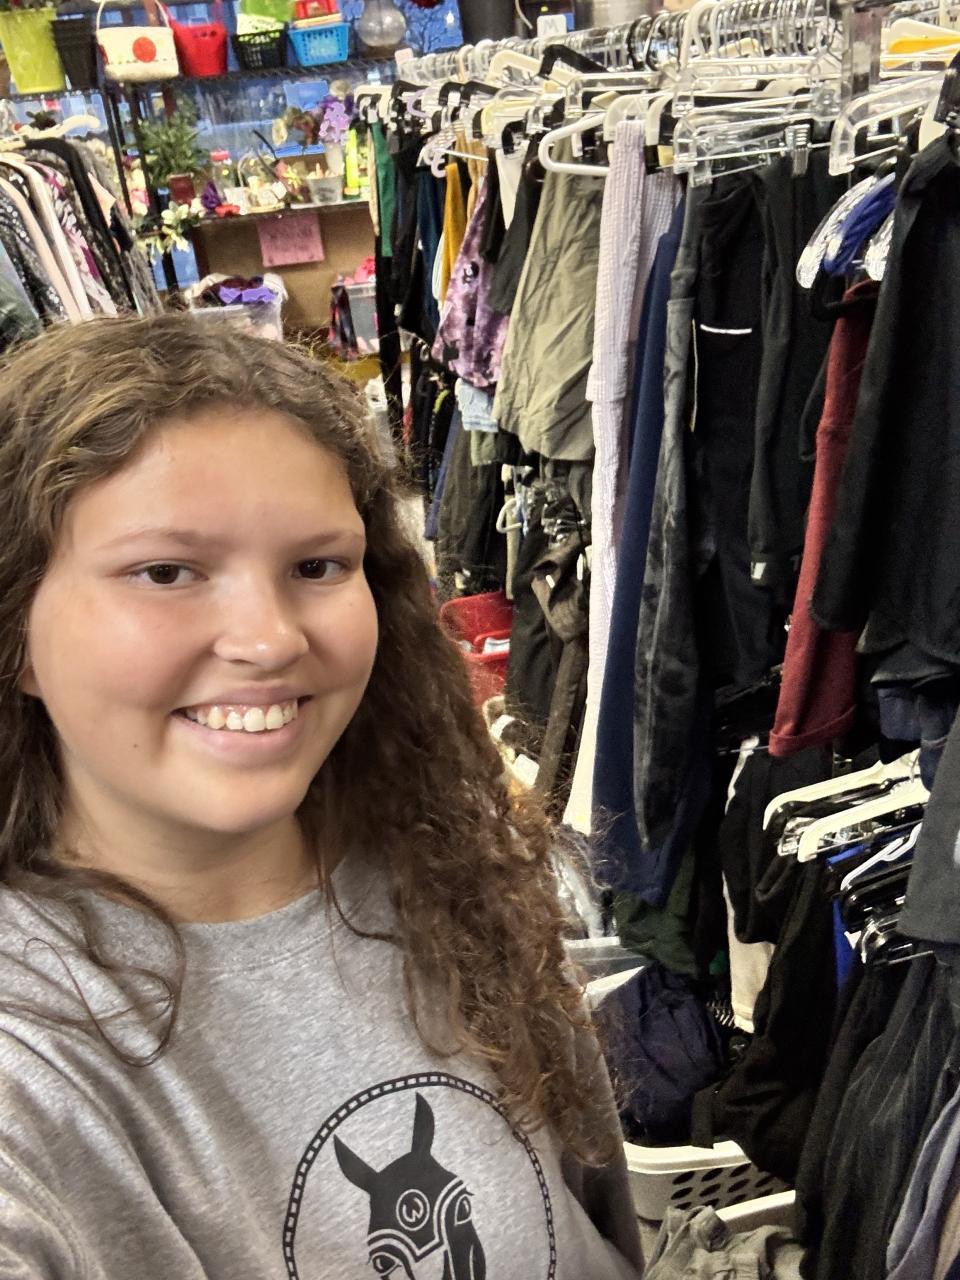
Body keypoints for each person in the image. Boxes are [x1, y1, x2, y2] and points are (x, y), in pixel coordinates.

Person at [0, 314, 642, 1280]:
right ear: (17, 633)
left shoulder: (448, 864)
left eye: (316, 566)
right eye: (166, 572)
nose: (270, 640)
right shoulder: (31, 1050)